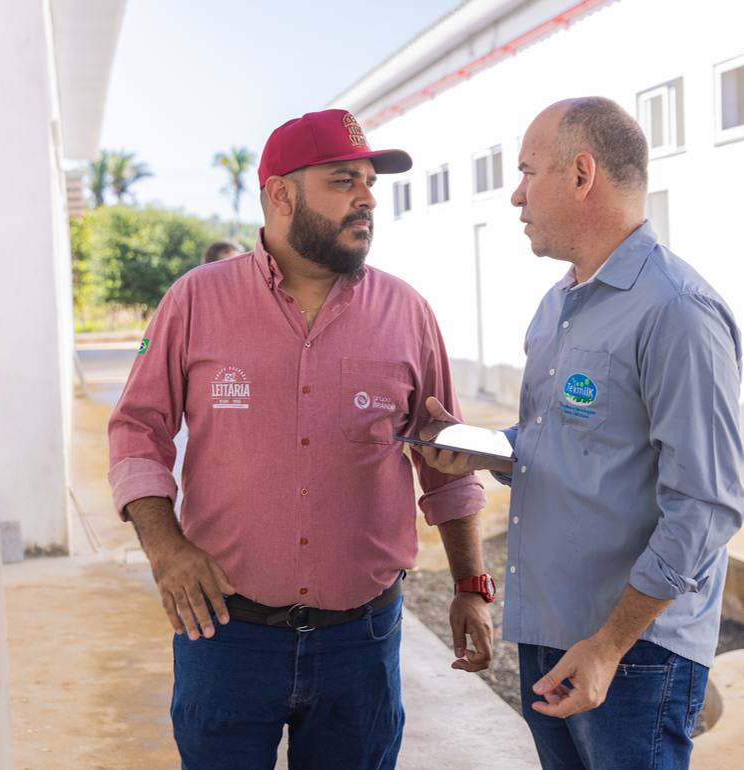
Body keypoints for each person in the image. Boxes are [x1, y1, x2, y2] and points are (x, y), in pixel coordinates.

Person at [108, 108, 496, 770]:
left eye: (371, 182)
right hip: (225, 636)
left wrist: (471, 584)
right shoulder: (194, 302)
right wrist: (166, 549)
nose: (368, 197)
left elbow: (446, 466)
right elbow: (135, 430)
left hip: (363, 643)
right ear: (281, 195)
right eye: (344, 180)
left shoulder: (407, 314)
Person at [413, 96, 744, 770]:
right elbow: (558, 441)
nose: (514, 196)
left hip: (632, 654)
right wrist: (477, 446)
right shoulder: (557, 306)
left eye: (528, 172)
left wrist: (611, 644)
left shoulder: (677, 312)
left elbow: (708, 504)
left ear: (581, 174)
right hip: (549, 631)